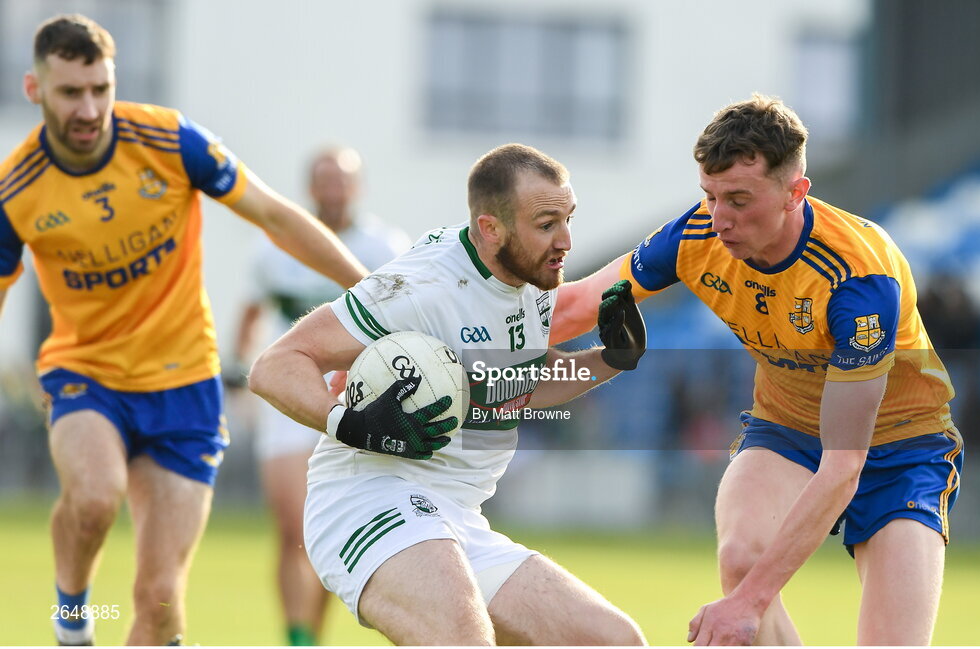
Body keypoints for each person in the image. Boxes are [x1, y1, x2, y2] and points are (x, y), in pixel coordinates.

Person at [0, 14, 367, 646]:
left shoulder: (168, 140)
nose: (89, 108)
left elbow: (274, 216)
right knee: (93, 497)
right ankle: (71, 622)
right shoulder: (18, 190)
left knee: (161, 601)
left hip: (185, 383)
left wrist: (370, 292)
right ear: (35, 90)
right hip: (85, 373)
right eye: (70, 93)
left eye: (100, 89)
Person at [551, 94, 964, 645]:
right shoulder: (699, 235)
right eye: (710, 195)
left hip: (903, 448)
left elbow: (844, 467)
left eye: (739, 200)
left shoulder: (859, 280)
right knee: (741, 557)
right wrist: (465, 342)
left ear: (796, 192)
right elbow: (577, 305)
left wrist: (747, 605)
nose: (720, 218)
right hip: (788, 428)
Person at [248, 143, 649, 645]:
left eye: (569, 219)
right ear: (490, 228)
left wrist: (610, 360)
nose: (566, 240)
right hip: (369, 501)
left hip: (458, 515)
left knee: (615, 642)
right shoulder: (420, 285)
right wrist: (350, 422)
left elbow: (517, 382)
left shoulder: (533, 279)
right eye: (547, 224)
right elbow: (275, 366)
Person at [231, 146, 409, 646]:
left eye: (343, 180)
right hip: (289, 402)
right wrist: (245, 383)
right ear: (310, 187)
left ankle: (314, 636)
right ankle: (297, 638)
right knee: (293, 527)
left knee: (331, 534)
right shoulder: (274, 247)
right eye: (324, 179)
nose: (333, 189)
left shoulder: (384, 247)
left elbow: (406, 322)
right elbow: (247, 321)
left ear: (358, 187)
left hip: (354, 398)